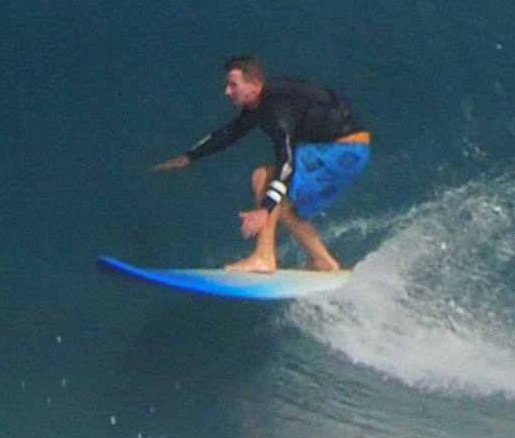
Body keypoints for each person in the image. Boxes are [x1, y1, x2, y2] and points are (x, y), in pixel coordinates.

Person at [157, 54, 371, 275]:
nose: (227, 91)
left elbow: (286, 162)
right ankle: (324, 262)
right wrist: (190, 156)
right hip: (352, 152)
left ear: (255, 85)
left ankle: (264, 256)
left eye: (233, 85)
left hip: (344, 149)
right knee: (286, 208)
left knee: (263, 177)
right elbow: (231, 132)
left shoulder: (275, 109)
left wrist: (264, 209)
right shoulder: (261, 103)